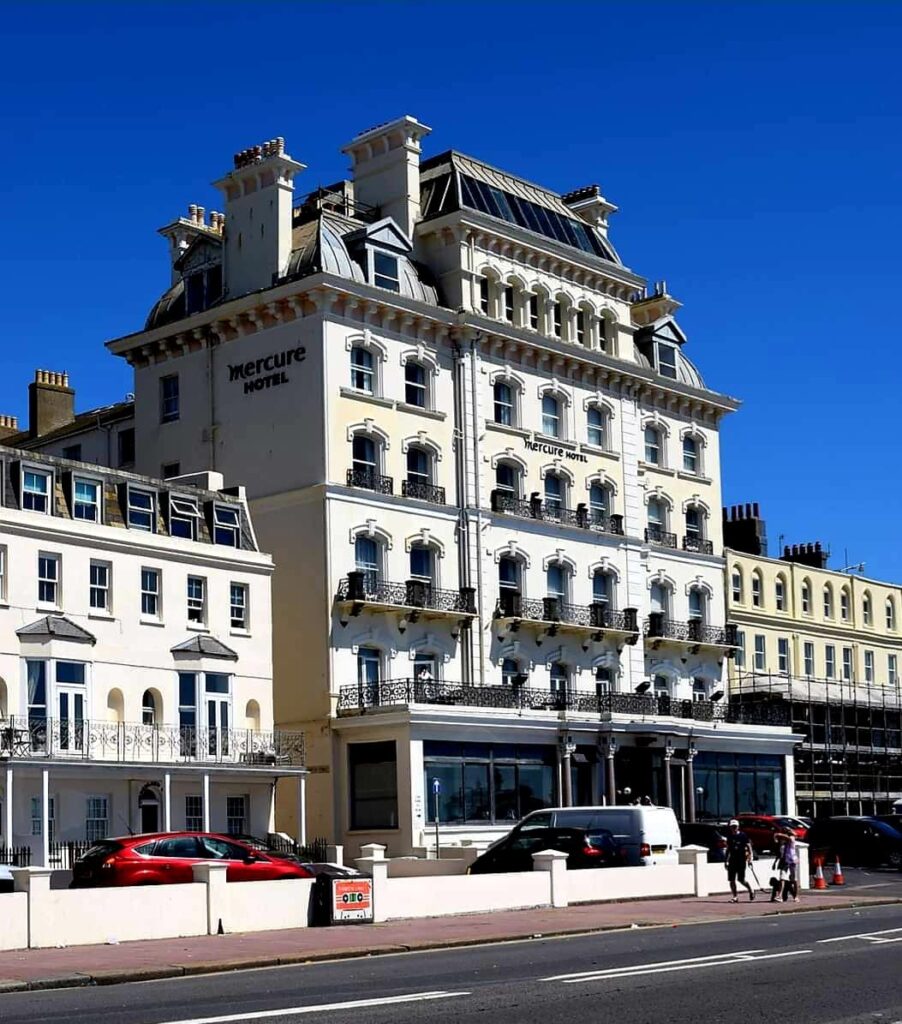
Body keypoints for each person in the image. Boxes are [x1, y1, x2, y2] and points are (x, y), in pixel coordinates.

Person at [725, 818, 755, 903]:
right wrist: (726, 860)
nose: (734, 828)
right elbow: (728, 849)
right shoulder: (729, 836)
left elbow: (749, 847)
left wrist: (750, 858)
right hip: (732, 860)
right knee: (731, 879)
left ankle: (751, 890)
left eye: (735, 826)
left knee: (741, 879)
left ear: (738, 827)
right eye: (732, 827)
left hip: (741, 859)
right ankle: (735, 896)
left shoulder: (743, 835)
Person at [775, 830, 800, 902]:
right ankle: (779, 896)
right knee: (782, 878)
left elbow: (789, 838)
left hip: (792, 861)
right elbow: (780, 854)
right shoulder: (783, 844)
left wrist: (779, 834)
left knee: (794, 879)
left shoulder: (792, 840)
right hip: (785, 861)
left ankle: (796, 896)